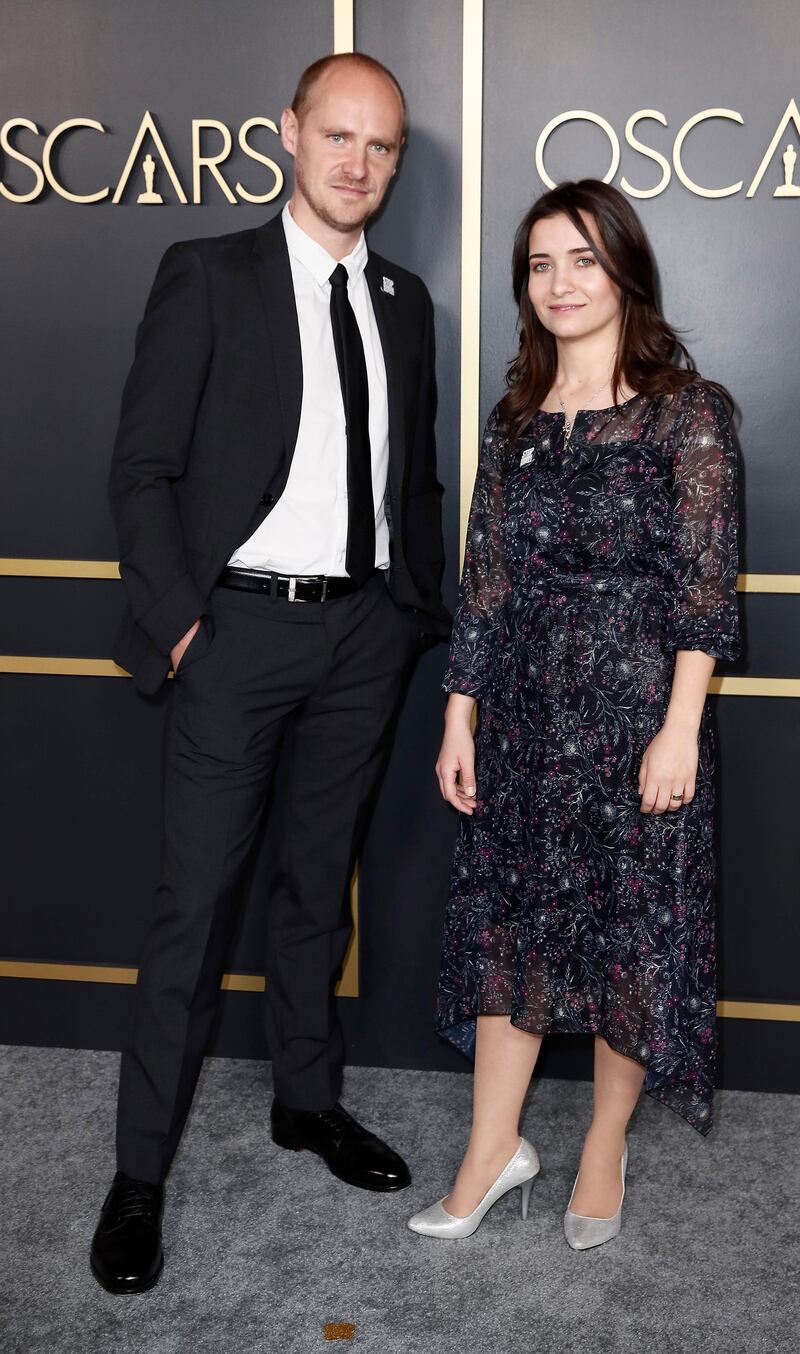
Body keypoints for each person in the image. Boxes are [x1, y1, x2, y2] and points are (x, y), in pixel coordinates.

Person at [90, 51, 450, 1294]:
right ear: (290, 134)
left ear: (396, 161)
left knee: (317, 889)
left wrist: (409, 616)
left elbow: (412, 477)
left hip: (364, 640)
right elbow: (140, 472)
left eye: (383, 146)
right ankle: (140, 1175)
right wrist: (188, 624)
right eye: (338, 136)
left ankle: (307, 1101)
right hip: (236, 634)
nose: (359, 163)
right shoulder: (207, 276)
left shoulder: (406, 301)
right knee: (193, 910)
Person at [408, 180, 740, 1246]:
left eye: (581, 260)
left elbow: (703, 586)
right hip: (518, 718)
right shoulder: (513, 421)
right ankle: (491, 1148)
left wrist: (680, 726)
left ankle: (603, 1144)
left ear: (623, 270)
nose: (559, 283)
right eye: (540, 264)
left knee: (628, 940)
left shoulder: (686, 411)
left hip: (638, 714)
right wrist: (458, 714)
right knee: (507, 926)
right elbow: (485, 580)